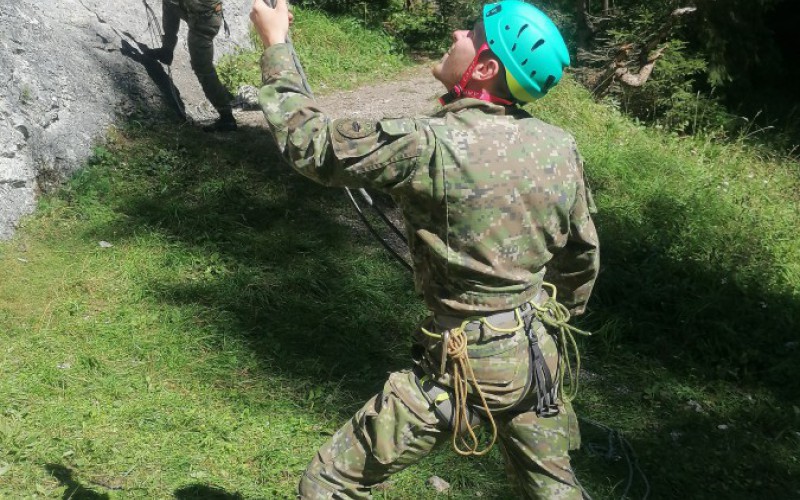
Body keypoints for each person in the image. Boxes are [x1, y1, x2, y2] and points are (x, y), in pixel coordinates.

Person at [250, 0, 599, 498]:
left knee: (327, 484)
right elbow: (583, 256)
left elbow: (311, 143)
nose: (457, 31)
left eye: (470, 33)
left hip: (466, 364)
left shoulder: (429, 144)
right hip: (535, 357)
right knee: (553, 490)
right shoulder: (558, 145)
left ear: (483, 67)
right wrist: (546, 313)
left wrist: (276, 45)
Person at [146, 0, 237, 132]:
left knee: (202, 67)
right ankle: (167, 51)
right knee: (169, 3)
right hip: (194, 11)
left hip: (204, 21)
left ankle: (227, 117)